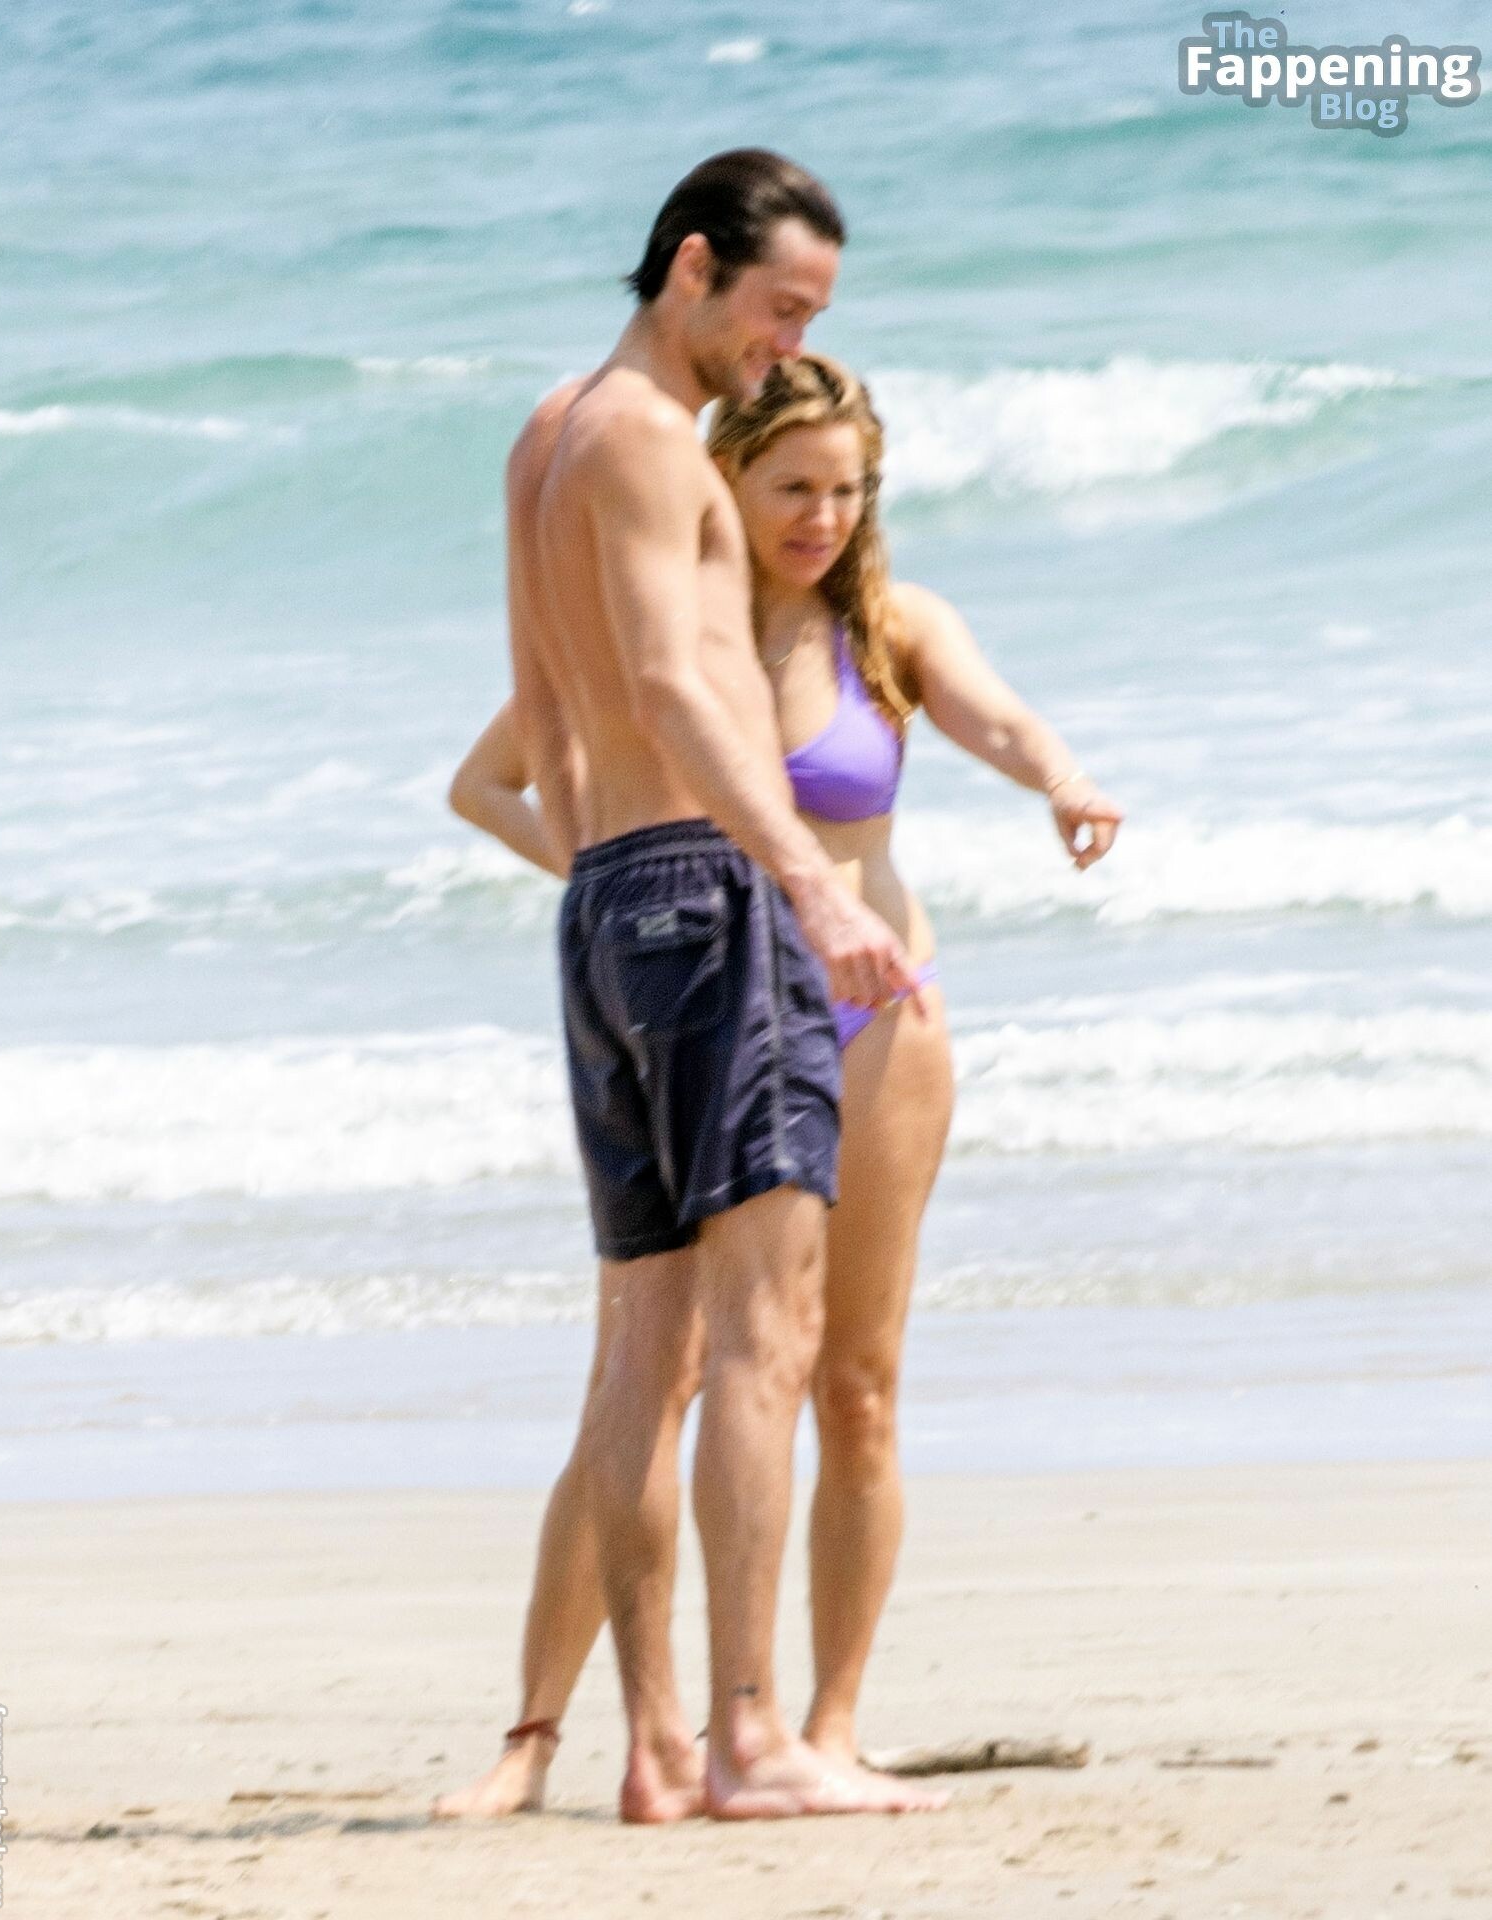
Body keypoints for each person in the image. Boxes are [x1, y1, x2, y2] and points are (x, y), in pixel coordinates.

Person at [435, 353, 1123, 1821]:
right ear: (726, 480)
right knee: (654, 1374)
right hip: (713, 1012)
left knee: (853, 1384)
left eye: (845, 489)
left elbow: (998, 719)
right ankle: (533, 1735)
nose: (820, 516)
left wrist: (1063, 781)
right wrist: (614, 886)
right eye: (791, 486)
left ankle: (828, 1727)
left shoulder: (889, 625)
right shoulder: (666, 630)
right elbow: (488, 780)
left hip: (880, 1025)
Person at [457, 148, 944, 1826]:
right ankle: (750, 1736)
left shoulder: (546, 433)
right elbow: (671, 682)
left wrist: (627, 890)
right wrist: (800, 881)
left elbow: (540, 703)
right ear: (688, 267)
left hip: (604, 901)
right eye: (776, 309)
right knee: (763, 1335)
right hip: (714, 895)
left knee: (639, 1346)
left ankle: (654, 1748)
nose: (785, 345)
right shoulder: (657, 440)